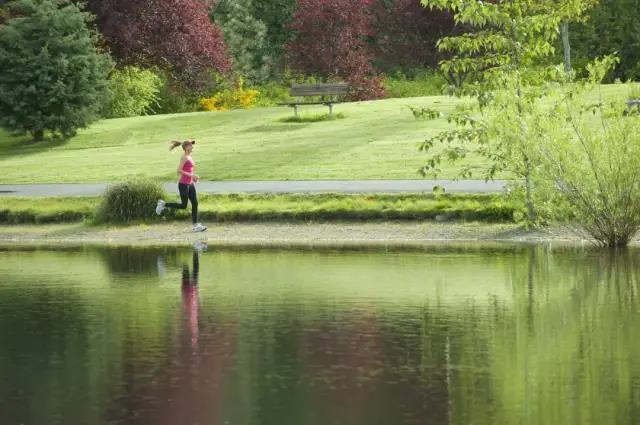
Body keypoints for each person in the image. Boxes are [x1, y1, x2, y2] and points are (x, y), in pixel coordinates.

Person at [156, 139, 207, 232]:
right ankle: (163, 204)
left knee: (195, 203)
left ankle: (195, 225)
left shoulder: (189, 156)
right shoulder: (184, 157)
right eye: (191, 145)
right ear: (187, 147)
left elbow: (189, 169)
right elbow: (179, 170)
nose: (192, 146)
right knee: (184, 205)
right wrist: (192, 175)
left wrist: (194, 178)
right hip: (183, 184)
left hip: (190, 183)